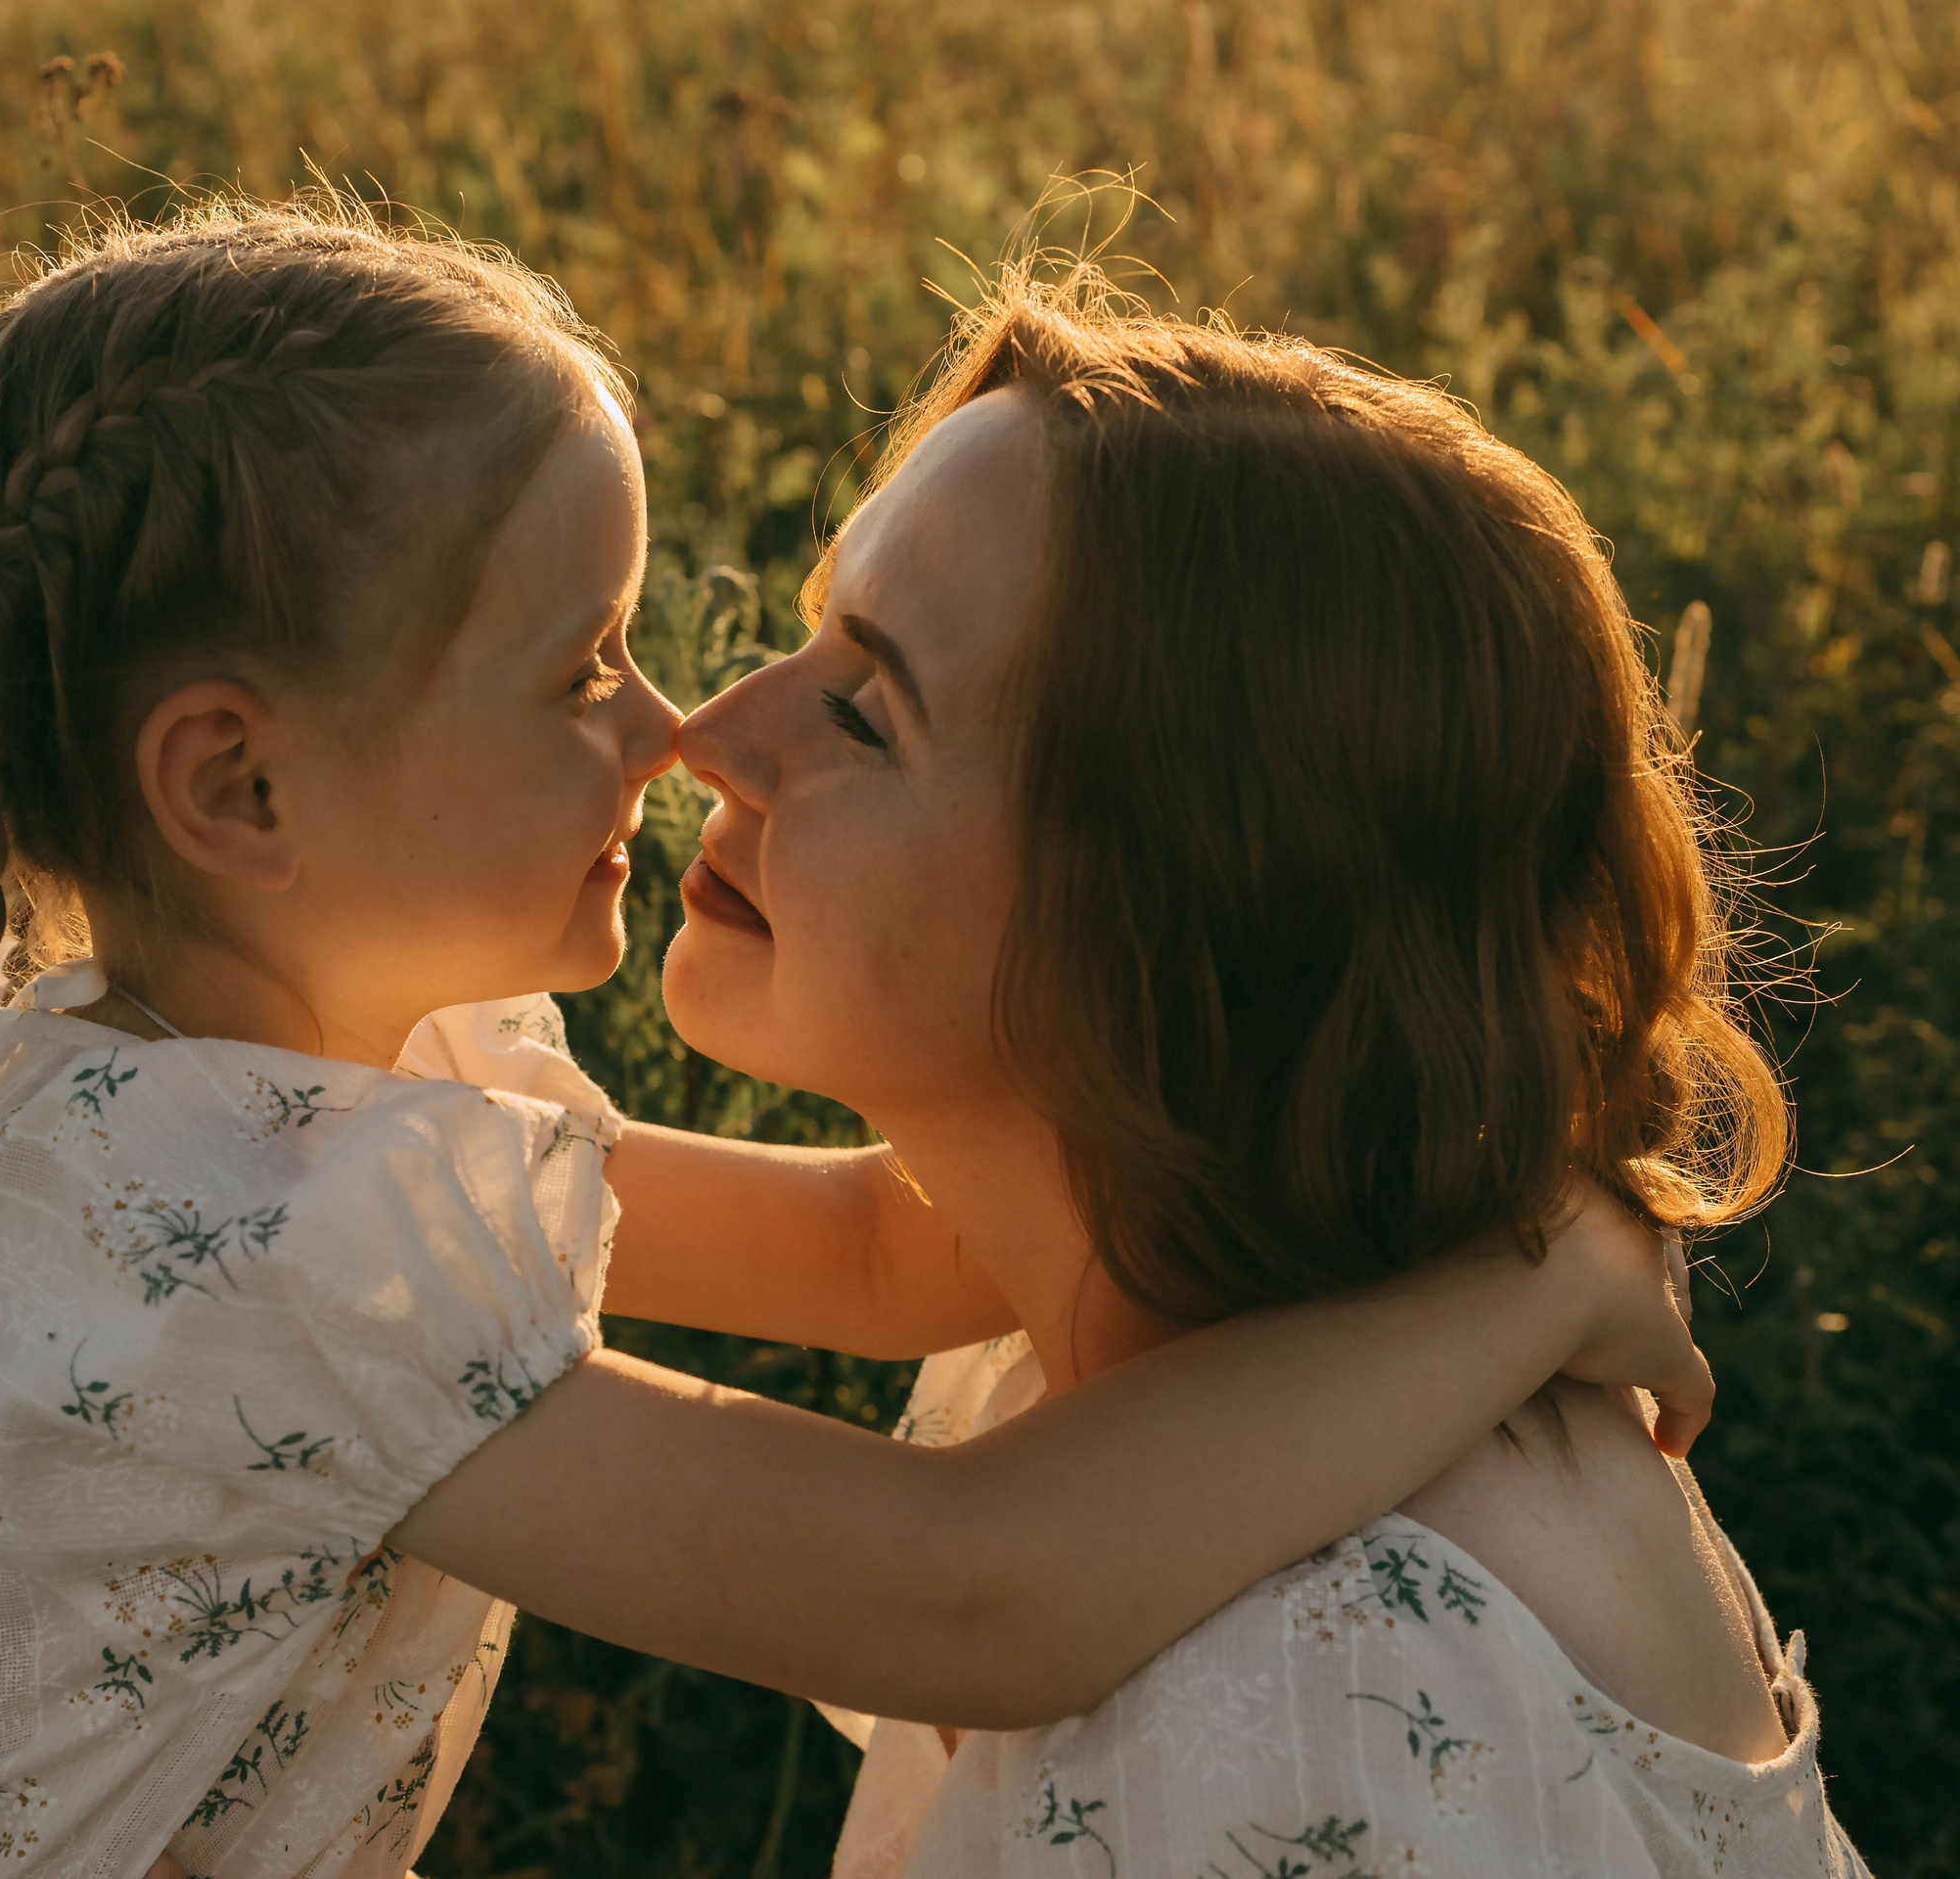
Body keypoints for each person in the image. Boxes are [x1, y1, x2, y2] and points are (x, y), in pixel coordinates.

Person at [0, 201, 1709, 1879]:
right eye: (578, 670)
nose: (677, 729)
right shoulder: (242, 1234)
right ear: (239, 793)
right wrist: (1532, 1285)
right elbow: (978, 1598)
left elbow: (892, 1261)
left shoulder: (256, 1098)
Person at [656, 271, 1869, 1874]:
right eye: (810, 637)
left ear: (1172, 921)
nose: (713, 733)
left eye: (868, 714)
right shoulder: (1197, 1344)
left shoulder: (1306, 1714)